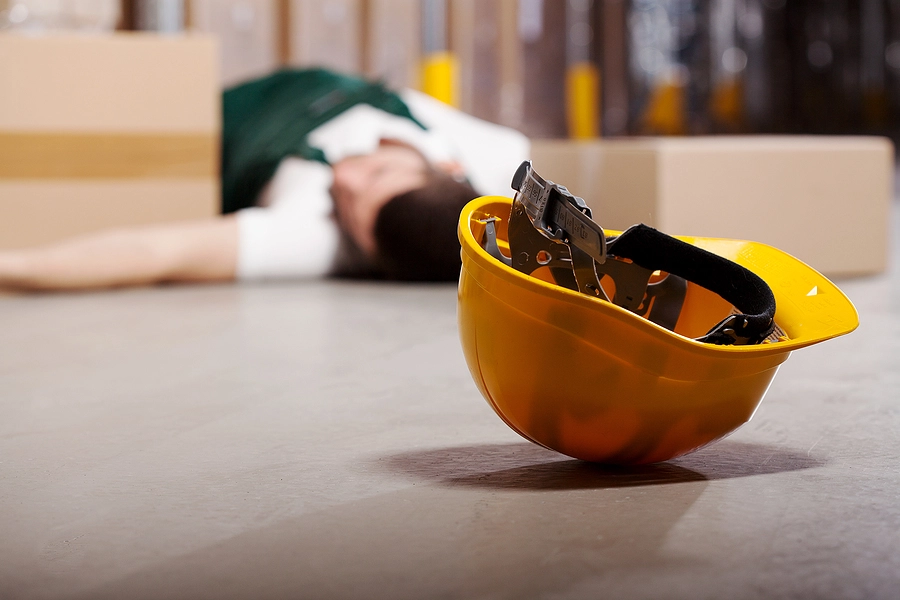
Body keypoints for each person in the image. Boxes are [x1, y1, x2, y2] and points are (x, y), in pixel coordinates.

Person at [0, 68, 528, 292]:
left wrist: (11, 267)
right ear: (446, 169)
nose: (346, 179)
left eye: (351, 210)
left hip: (221, 126)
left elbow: (156, 252)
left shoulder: (315, 240)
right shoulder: (496, 156)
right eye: (377, 173)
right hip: (309, 82)